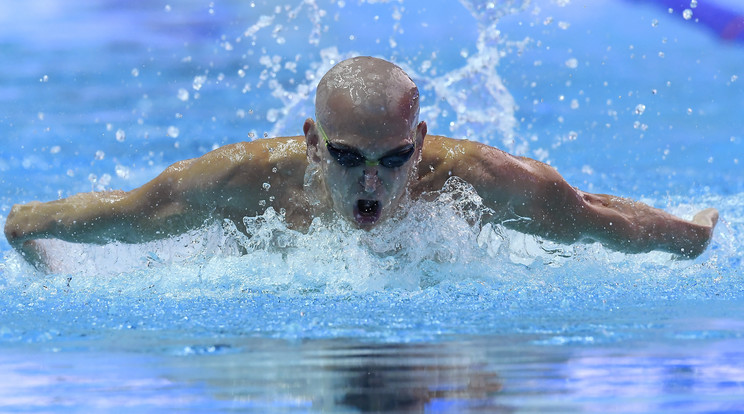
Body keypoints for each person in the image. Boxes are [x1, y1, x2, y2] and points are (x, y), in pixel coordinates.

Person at [4, 56, 718, 271]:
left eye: (393, 159)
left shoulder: (477, 178)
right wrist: (25, 230)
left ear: (421, 141)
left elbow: (593, 220)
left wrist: (692, 236)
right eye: (347, 158)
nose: (371, 182)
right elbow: (124, 215)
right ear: (313, 140)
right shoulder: (238, 178)